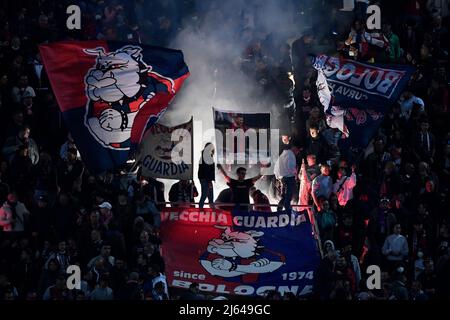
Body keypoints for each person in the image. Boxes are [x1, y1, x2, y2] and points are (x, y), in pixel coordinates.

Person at [274, 144, 299, 211]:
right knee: (289, 194)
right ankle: (287, 209)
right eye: (297, 151)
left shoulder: (282, 155)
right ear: (295, 149)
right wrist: (295, 173)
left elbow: (276, 168)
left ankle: (280, 208)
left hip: (282, 177)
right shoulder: (290, 155)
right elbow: (291, 167)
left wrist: (278, 177)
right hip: (289, 177)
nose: (297, 153)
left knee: (286, 195)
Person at [198, 143, 215, 208]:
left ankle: (208, 209)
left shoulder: (205, 155)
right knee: (206, 194)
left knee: (208, 195)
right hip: (206, 178)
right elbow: (207, 169)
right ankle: (202, 209)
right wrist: (209, 180)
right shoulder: (206, 156)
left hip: (205, 178)